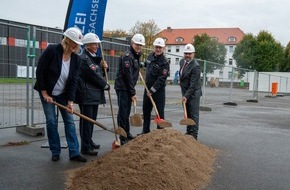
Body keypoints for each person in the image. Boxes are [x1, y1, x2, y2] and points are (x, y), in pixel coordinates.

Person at [34, 27, 87, 162]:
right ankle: (55, 151)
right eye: (74, 42)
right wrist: (45, 93)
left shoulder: (76, 59)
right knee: (51, 121)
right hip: (48, 91)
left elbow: (73, 81)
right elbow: (40, 72)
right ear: (67, 40)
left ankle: (74, 152)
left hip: (63, 94)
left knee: (70, 121)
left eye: (78, 43)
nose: (76, 46)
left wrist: (70, 102)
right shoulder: (52, 50)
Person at [75, 33, 110, 156]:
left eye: (97, 44)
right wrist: (105, 85)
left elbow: (98, 71)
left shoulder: (93, 57)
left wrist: (105, 67)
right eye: (94, 44)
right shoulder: (84, 58)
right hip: (86, 95)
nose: (97, 46)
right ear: (88, 45)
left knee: (92, 120)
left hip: (93, 95)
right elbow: (93, 75)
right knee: (86, 121)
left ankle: (89, 141)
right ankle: (85, 146)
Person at [114, 33, 145, 145]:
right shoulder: (127, 56)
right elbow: (127, 76)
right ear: (132, 43)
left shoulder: (136, 56)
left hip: (128, 87)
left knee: (126, 112)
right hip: (123, 87)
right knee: (123, 112)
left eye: (140, 45)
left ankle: (126, 132)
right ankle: (122, 136)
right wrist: (132, 92)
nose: (139, 47)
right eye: (137, 44)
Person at [141, 37, 170, 134]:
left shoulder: (165, 62)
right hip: (147, 88)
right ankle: (145, 131)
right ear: (154, 47)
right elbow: (146, 64)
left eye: (160, 47)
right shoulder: (150, 56)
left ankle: (160, 134)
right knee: (146, 110)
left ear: (163, 48)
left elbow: (162, 78)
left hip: (158, 91)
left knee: (159, 112)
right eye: (157, 47)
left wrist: (152, 90)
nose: (158, 49)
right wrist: (140, 64)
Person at [179, 43, 202, 140]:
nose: (187, 55)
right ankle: (188, 133)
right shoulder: (182, 61)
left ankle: (194, 136)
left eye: (190, 53)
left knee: (193, 115)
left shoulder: (196, 66)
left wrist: (186, 96)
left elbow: (193, 84)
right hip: (186, 93)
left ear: (193, 54)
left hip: (193, 94)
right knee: (187, 114)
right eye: (186, 53)